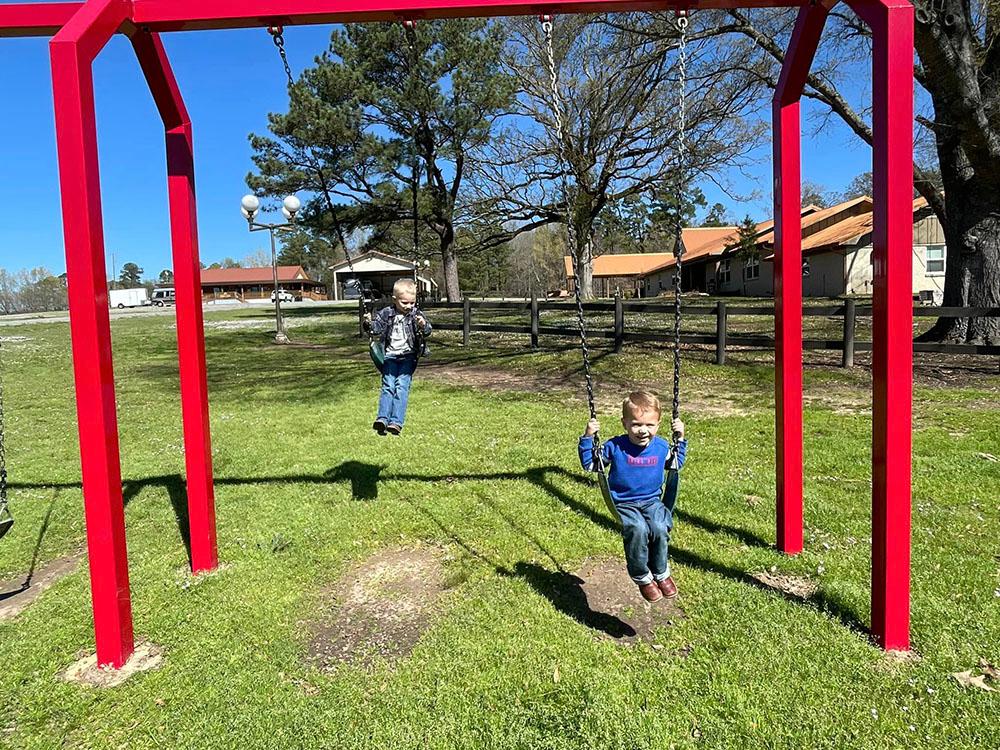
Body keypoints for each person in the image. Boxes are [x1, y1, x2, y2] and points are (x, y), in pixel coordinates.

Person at [579, 391, 687, 603]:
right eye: (636, 424)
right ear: (624, 423)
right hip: (624, 503)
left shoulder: (662, 446)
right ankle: (642, 577)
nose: (643, 431)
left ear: (658, 424)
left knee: (659, 526)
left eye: (649, 425)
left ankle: (661, 572)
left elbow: (676, 464)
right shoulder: (615, 446)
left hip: (652, 501)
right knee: (637, 529)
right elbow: (590, 464)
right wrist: (588, 437)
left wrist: (680, 438)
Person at [363, 278, 432, 435]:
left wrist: (423, 325)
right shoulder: (386, 313)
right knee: (388, 386)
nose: (409, 306)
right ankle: (382, 419)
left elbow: (427, 330)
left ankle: (396, 422)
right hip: (390, 356)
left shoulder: (416, 314)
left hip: (409, 356)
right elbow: (376, 329)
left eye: (412, 303)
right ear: (395, 300)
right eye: (404, 303)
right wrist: (368, 323)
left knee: (401, 386)